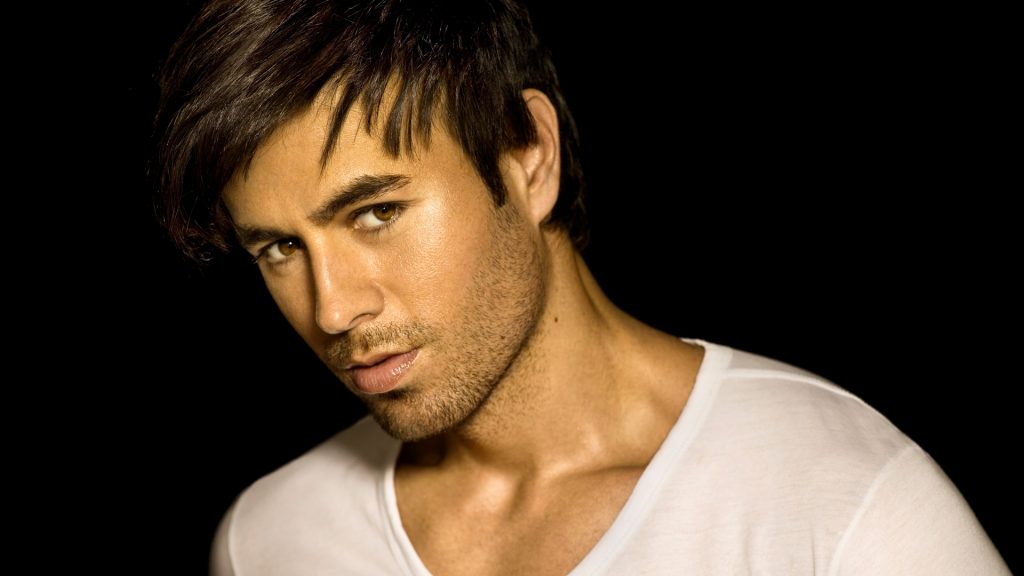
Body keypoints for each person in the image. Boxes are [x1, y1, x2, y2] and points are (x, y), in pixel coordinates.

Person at [152, 1, 1009, 574]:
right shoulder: (271, 539)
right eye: (279, 249)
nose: (335, 308)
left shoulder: (847, 509)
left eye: (377, 213)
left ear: (529, 155)